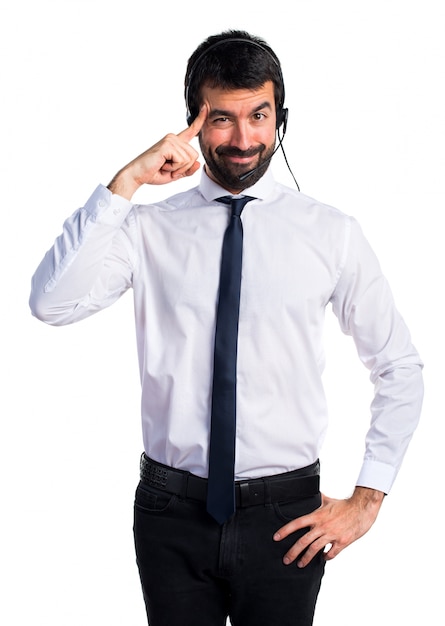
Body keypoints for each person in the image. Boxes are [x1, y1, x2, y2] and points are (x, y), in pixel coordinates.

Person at [29, 29, 424, 626]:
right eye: (221, 119)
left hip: (288, 517)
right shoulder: (145, 230)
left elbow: (399, 366)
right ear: (193, 121)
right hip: (170, 510)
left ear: (280, 119)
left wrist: (368, 500)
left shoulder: (330, 233)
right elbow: (51, 303)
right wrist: (125, 183)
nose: (243, 140)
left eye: (258, 116)